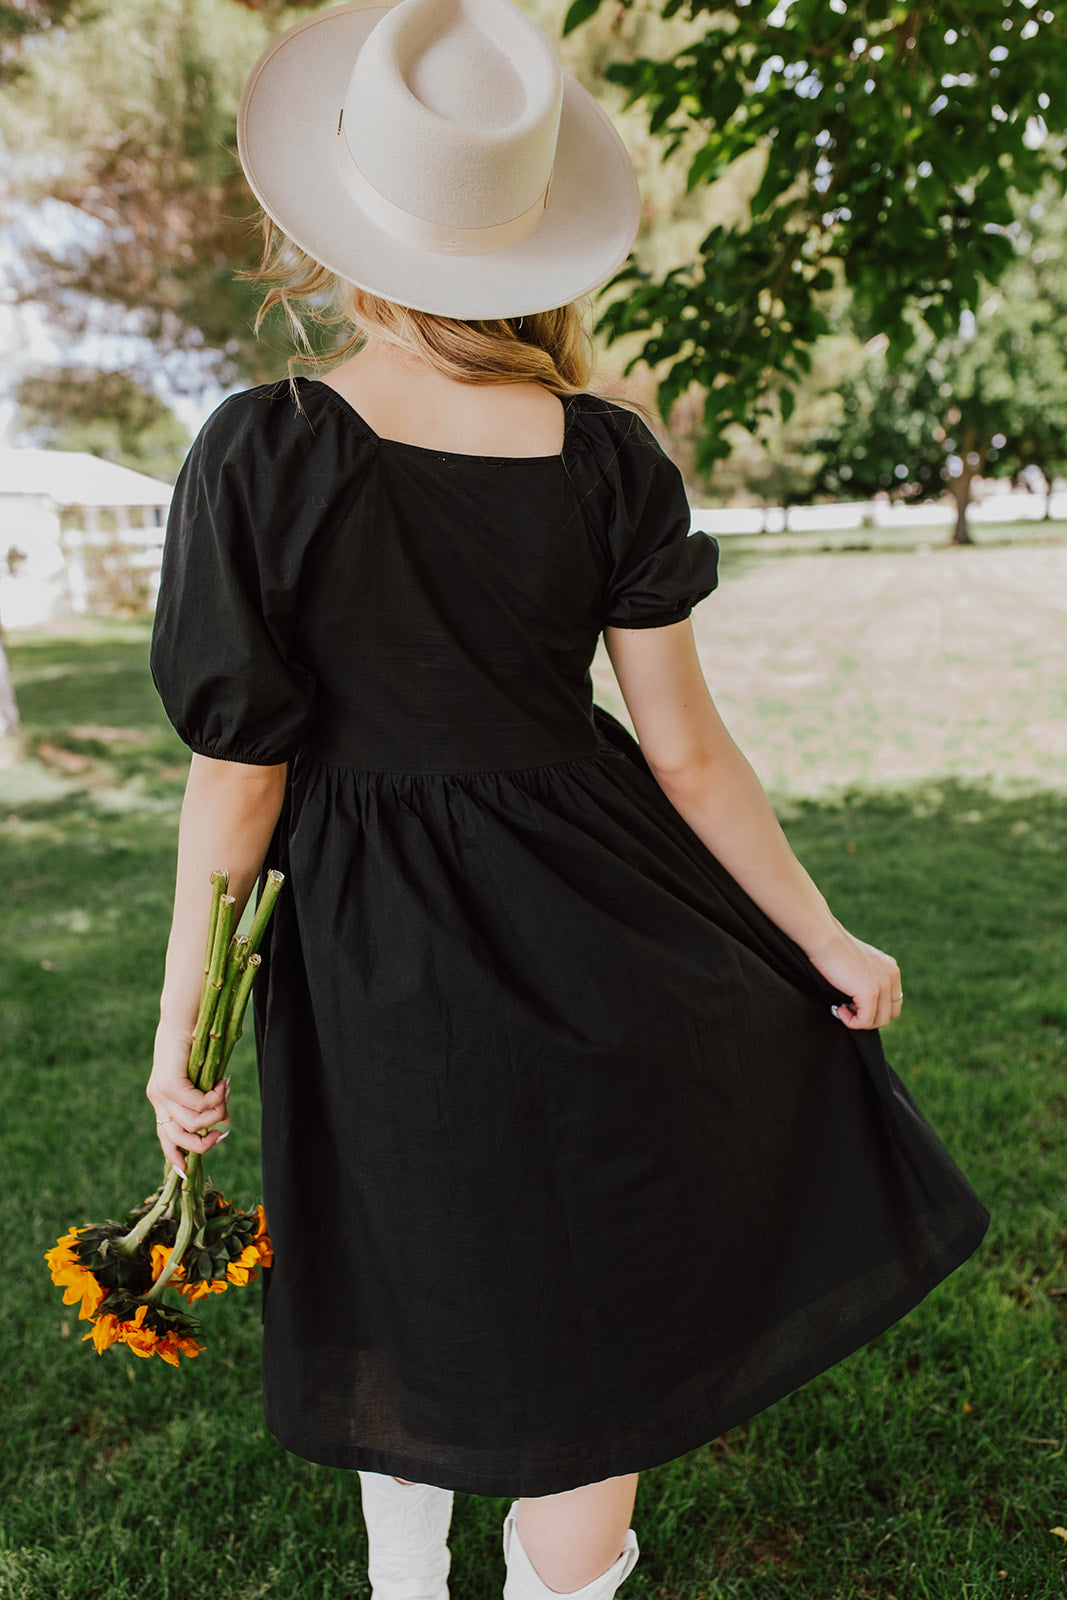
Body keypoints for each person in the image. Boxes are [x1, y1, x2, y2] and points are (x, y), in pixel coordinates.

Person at [146, 1, 991, 1597]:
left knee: (412, 1268)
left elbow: (237, 780)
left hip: (371, 947)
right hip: (602, 919)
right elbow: (684, 751)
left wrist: (179, 1027)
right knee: (582, 1327)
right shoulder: (603, 453)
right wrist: (815, 933)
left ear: (332, 230)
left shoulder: (266, 449)